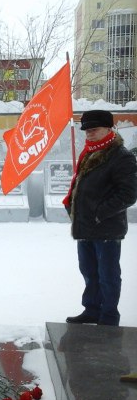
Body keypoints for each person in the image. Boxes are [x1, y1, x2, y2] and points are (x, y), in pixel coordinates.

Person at [63, 109, 137, 326]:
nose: (89, 134)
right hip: (85, 226)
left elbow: (128, 194)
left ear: (108, 128)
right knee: (89, 271)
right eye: (86, 130)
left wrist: (98, 213)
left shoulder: (121, 156)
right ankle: (92, 309)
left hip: (106, 228)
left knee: (108, 275)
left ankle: (109, 316)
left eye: (94, 129)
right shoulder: (90, 152)